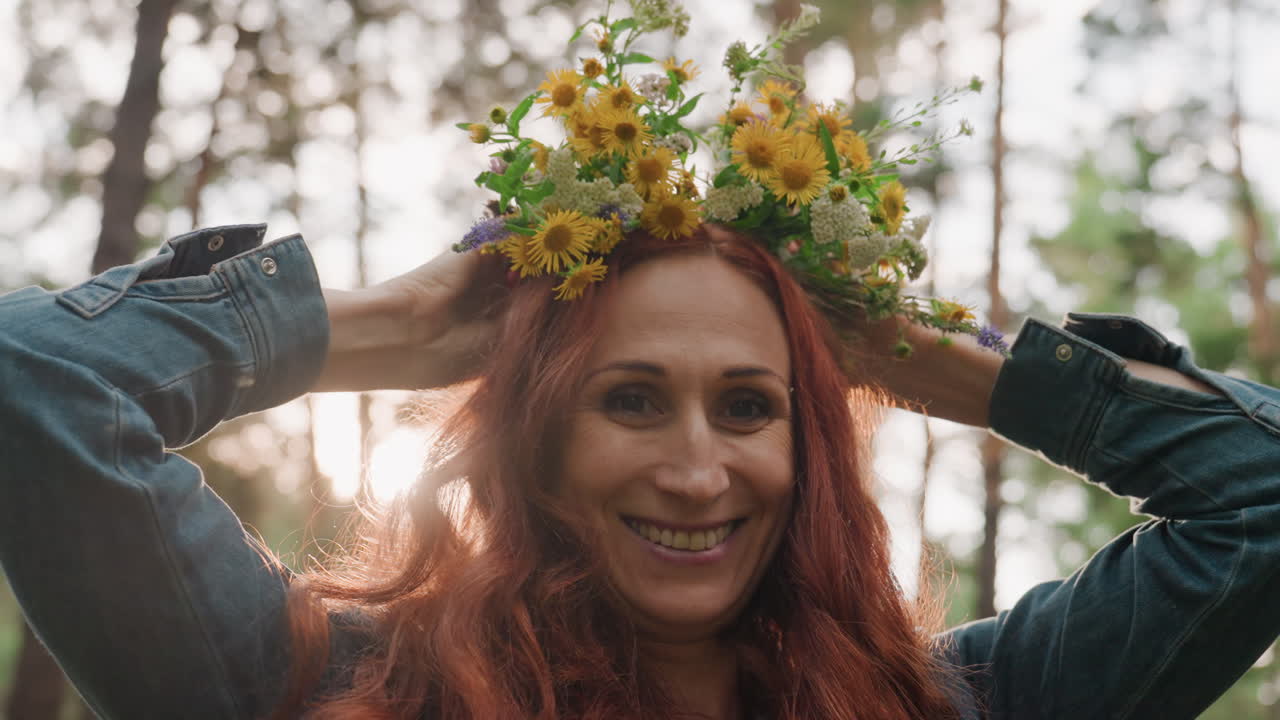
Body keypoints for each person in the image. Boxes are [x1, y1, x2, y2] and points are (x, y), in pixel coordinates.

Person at [3, 219, 1279, 720]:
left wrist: (936, 361)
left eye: (748, 405)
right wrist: (387, 327)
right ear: (540, 441)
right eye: (628, 399)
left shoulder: (965, 705)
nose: (695, 471)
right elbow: (36, 380)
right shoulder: (307, 685)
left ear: (807, 446)